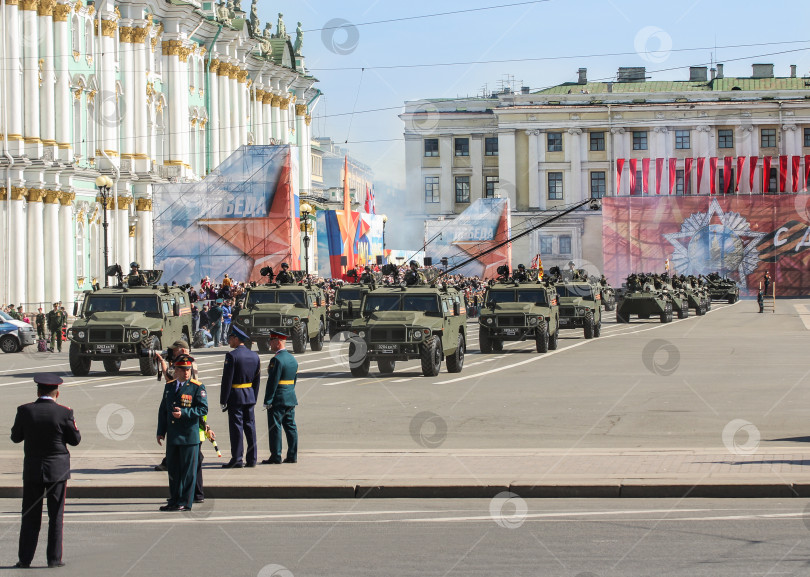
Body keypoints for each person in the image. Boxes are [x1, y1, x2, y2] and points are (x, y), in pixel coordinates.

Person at [11, 373, 81, 568]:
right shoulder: (64, 413)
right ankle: (53, 559)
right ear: (57, 393)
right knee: (56, 516)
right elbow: (75, 440)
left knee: (30, 516)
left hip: (33, 469)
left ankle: (25, 559)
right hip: (57, 470)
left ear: (38, 391)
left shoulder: (25, 411)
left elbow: (15, 437)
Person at [156, 354, 208, 511]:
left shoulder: (197, 387)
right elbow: (163, 410)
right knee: (173, 470)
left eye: (188, 369)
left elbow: (203, 408)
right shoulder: (170, 386)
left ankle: (185, 502)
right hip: (173, 435)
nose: (186, 373)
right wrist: (161, 431)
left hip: (188, 436)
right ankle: (174, 499)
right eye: (183, 370)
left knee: (187, 472)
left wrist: (184, 413)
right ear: (176, 370)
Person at [219, 325, 261, 468]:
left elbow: (227, 380)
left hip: (235, 396)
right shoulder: (254, 355)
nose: (229, 341)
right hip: (249, 395)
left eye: (231, 338)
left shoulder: (232, 356)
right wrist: (253, 397)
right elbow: (257, 380)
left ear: (236, 339)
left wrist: (223, 399)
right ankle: (252, 458)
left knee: (236, 428)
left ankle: (237, 458)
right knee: (250, 427)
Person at [262, 330, 298, 465]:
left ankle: (276, 455)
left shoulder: (276, 360)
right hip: (289, 396)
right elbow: (294, 379)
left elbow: (273, 382)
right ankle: (292, 455)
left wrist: (268, 400)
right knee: (290, 427)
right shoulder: (292, 359)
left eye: (271, 341)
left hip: (277, 398)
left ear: (278, 342)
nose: (270, 343)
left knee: (275, 427)